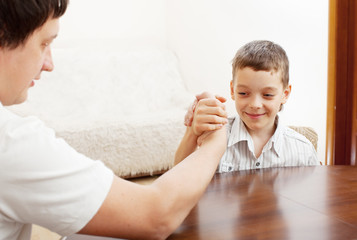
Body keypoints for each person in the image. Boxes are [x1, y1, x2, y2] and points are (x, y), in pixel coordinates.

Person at [0, 1, 227, 240]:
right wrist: (216, 141)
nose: (50, 64)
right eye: (44, 43)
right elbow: (157, 215)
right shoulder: (12, 142)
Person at [175, 40, 319, 172]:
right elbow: (179, 183)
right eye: (243, 93)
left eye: (267, 95)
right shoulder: (213, 137)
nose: (255, 105)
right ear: (232, 90)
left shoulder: (303, 151)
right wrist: (192, 132)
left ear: (285, 94)